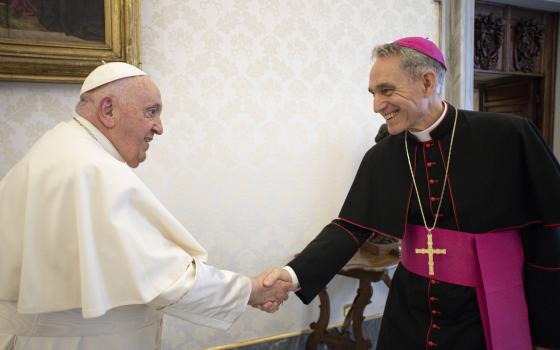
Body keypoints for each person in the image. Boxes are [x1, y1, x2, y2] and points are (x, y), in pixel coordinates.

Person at [262, 37, 560, 350]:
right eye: (374, 93)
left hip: (487, 307)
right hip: (409, 309)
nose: (377, 105)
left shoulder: (508, 136)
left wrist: (548, 332)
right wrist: (291, 275)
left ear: (427, 82)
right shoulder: (383, 155)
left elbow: (547, 238)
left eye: (386, 90)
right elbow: (350, 227)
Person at [0, 62, 293, 350]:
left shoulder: (63, 147)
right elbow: (164, 276)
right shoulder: (90, 169)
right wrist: (251, 290)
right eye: (150, 112)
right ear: (108, 110)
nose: (160, 128)